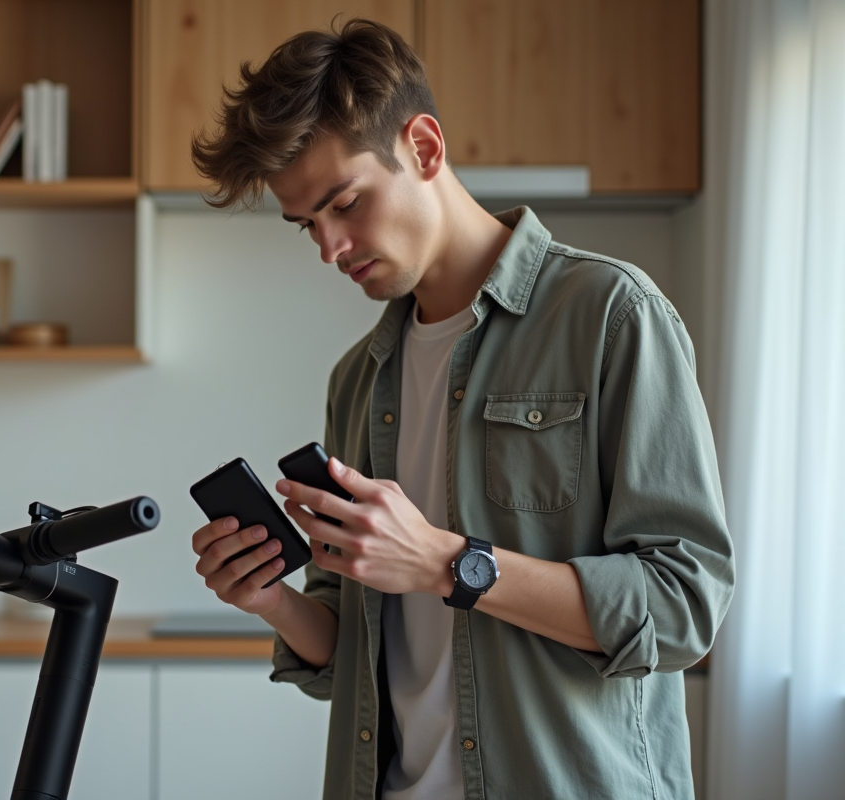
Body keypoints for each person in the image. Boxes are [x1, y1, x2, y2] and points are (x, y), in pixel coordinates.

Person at [187, 18, 734, 800]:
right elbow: (356, 654)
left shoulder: (611, 314)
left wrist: (448, 564)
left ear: (425, 148)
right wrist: (268, 598)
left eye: (345, 204)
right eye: (308, 223)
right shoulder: (358, 378)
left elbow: (683, 605)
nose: (328, 248)